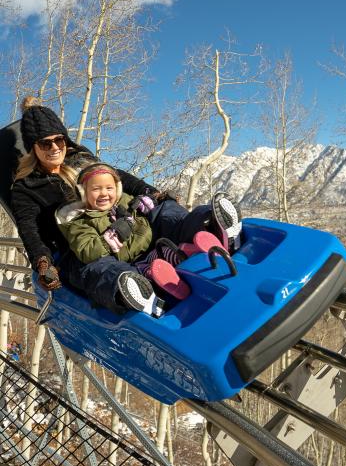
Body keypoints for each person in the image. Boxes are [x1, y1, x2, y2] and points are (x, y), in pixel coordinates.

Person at [11, 98, 242, 314]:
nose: (54, 147)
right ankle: (134, 289)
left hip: (121, 222)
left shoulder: (81, 160)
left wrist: (151, 193)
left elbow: (119, 177)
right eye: (45, 143)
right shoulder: (26, 187)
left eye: (58, 139)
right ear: (33, 147)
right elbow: (29, 229)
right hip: (83, 246)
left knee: (161, 210)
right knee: (97, 269)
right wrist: (43, 264)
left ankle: (209, 229)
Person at [56, 163, 192, 312]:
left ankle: (200, 227)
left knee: (165, 210)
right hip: (125, 267)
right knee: (97, 268)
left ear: (117, 189)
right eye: (96, 189)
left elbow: (151, 220)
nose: (104, 193)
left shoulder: (127, 202)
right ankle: (137, 291)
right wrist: (113, 236)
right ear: (83, 193)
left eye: (109, 188)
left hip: (155, 252)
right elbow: (86, 250)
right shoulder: (79, 221)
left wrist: (150, 204)